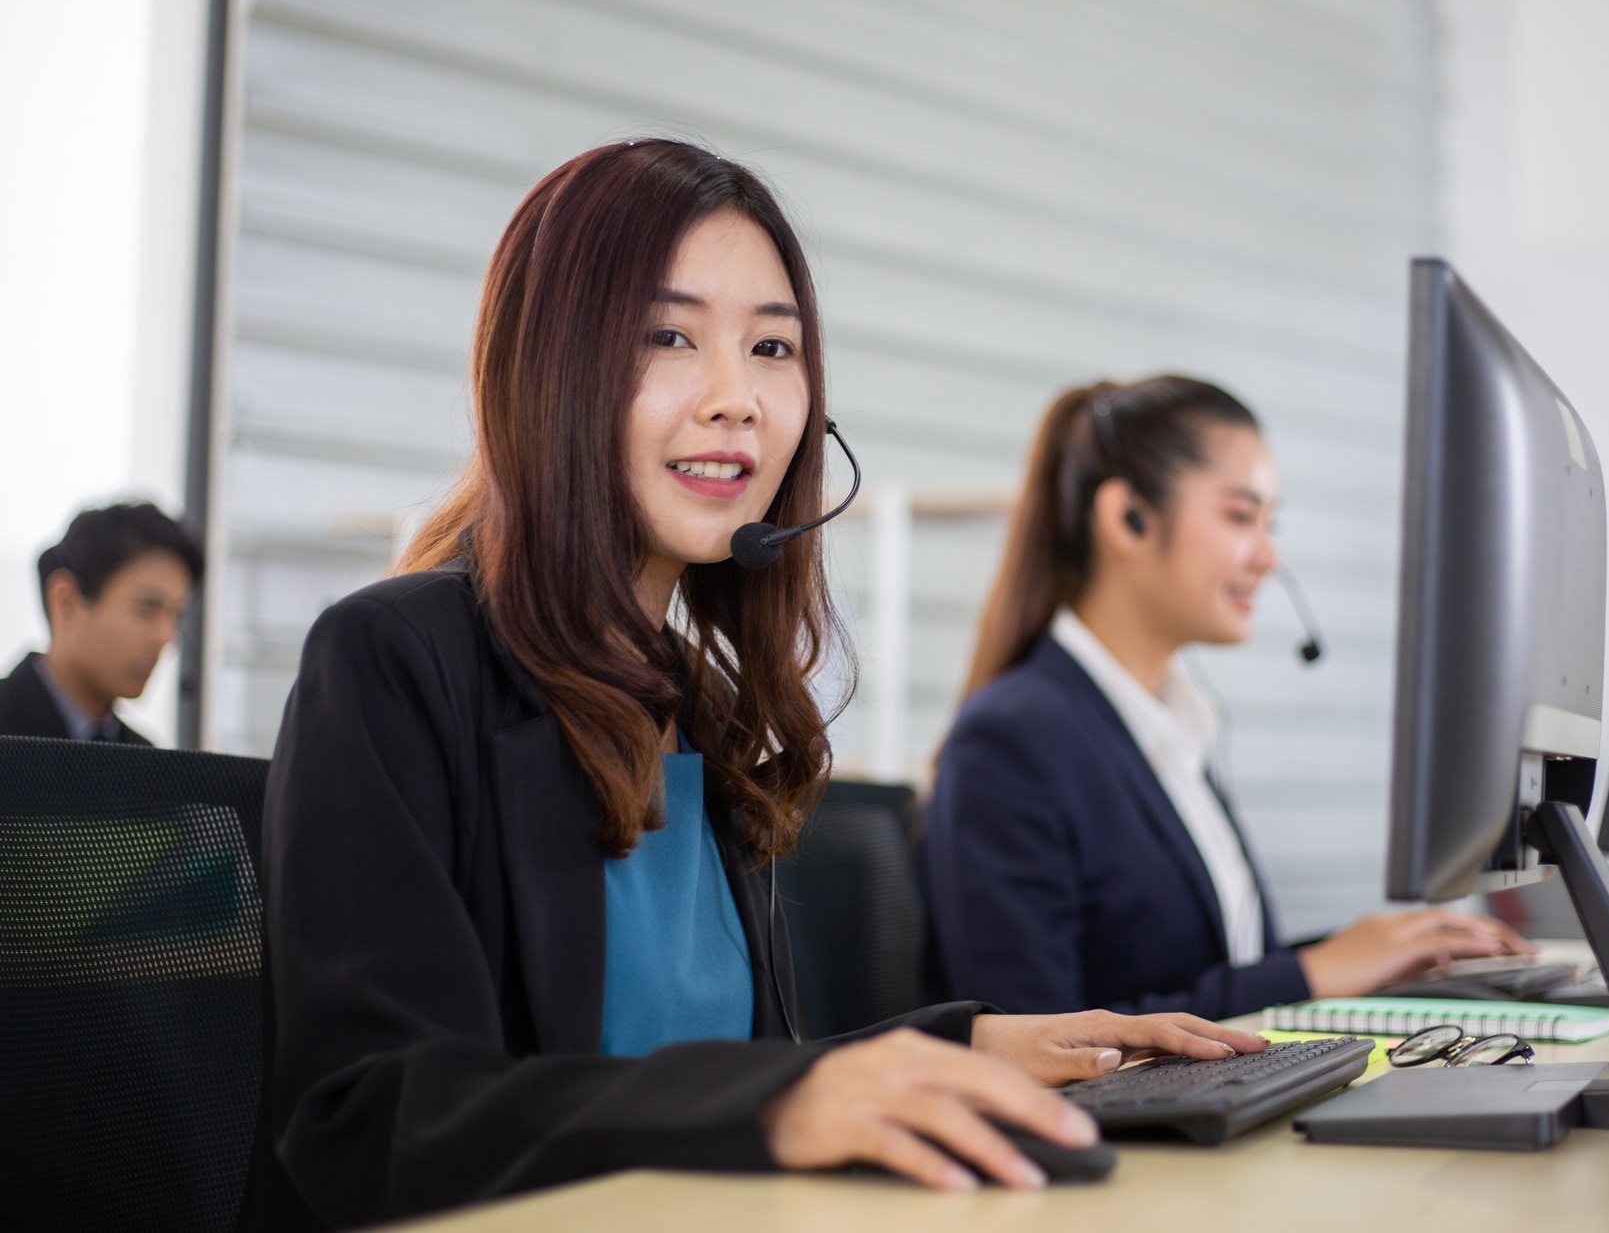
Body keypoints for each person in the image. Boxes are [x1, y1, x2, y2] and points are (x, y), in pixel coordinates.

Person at [257, 141, 1263, 1232]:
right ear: (548, 366)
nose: (736, 399)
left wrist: (963, 1044)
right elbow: (374, 1116)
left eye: (771, 346)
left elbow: (717, 1072)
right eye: (669, 336)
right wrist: (785, 1097)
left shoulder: (695, 701)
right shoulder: (394, 659)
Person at [921, 377, 1531, 1021]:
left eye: (1272, 523)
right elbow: (1030, 1034)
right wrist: (1311, 973)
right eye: (1241, 516)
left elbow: (1206, 977)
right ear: (1127, 517)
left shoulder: (1169, 727)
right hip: (1108, 1124)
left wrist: (1375, 955)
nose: (1268, 556)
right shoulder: (1012, 738)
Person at [0, 501, 201, 743]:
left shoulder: (147, 761)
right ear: (66, 602)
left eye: (176, 615)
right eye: (147, 608)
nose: (166, 637)